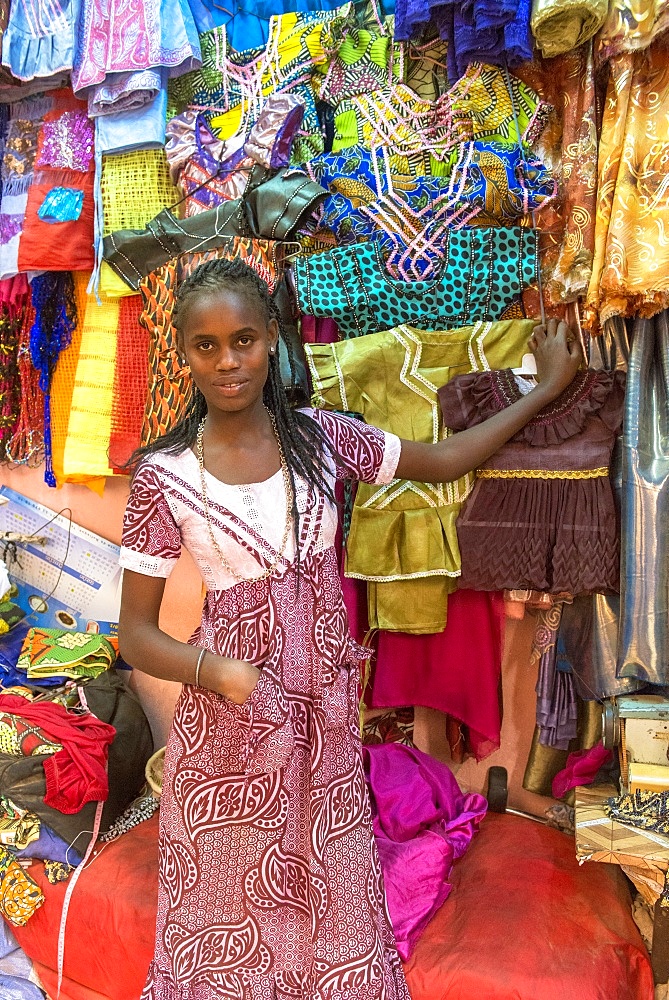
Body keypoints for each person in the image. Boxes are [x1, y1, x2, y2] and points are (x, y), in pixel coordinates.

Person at [118, 256, 582, 1000]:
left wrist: (543, 393)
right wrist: (219, 673)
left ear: (271, 338)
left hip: (324, 703)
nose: (228, 361)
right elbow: (134, 635)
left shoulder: (320, 438)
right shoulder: (163, 475)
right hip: (236, 716)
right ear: (183, 352)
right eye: (206, 346)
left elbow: (440, 460)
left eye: (243, 339)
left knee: (328, 882)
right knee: (228, 906)